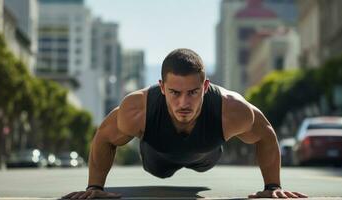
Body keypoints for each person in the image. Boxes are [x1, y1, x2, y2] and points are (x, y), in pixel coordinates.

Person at [63, 48, 307, 199]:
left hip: (206, 155)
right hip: (156, 158)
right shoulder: (137, 108)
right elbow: (104, 136)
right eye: (174, 93)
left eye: (192, 92)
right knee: (159, 168)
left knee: (205, 157)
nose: (183, 103)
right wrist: (95, 186)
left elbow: (265, 134)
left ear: (205, 86)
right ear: (161, 87)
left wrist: (273, 185)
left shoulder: (232, 110)